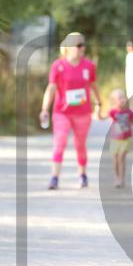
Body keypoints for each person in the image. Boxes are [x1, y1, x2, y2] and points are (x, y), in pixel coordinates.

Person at [39, 32, 101, 189]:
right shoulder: (58, 66)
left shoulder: (89, 66)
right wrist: (45, 109)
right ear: (68, 47)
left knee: (80, 144)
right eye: (79, 45)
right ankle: (54, 177)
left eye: (83, 45)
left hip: (83, 112)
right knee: (59, 142)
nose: (82, 48)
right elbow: (51, 88)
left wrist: (99, 103)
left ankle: (82, 175)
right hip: (62, 112)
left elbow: (93, 85)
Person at [107, 89, 133, 188]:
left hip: (126, 139)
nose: (123, 99)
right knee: (115, 160)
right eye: (120, 98)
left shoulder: (129, 112)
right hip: (115, 139)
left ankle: (121, 179)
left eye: (123, 97)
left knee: (121, 158)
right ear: (114, 101)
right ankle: (117, 176)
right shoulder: (112, 112)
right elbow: (103, 118)